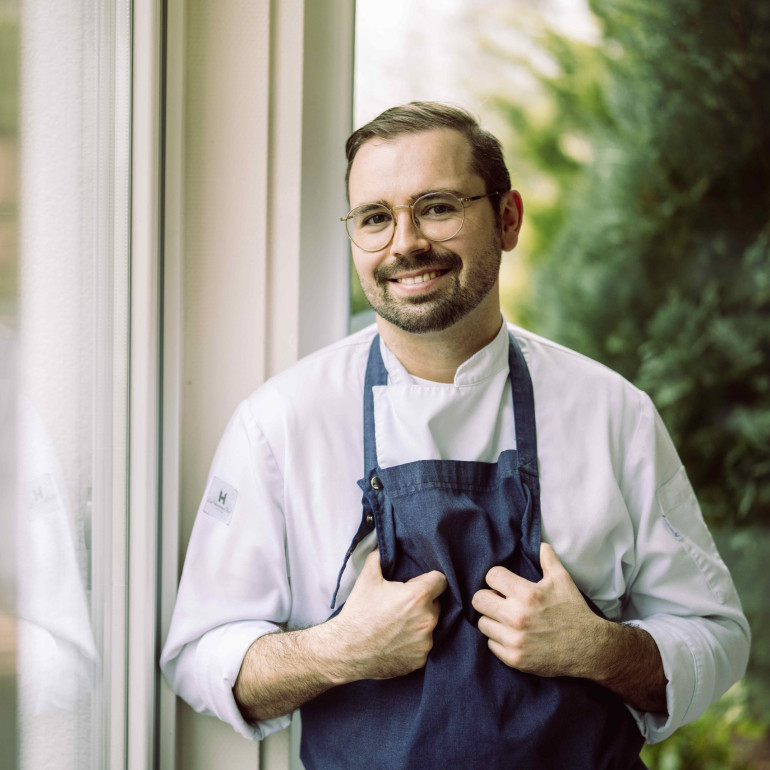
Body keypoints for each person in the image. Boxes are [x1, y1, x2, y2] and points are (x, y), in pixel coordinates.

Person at [161, 102, 750, 768]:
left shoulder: (612, 414)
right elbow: (202, 657)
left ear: (507, 219)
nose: (405, 242)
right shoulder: (282, 423)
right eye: (376, 218)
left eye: (437, 207)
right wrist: (341, 649)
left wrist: (597, 649)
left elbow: (715, 636)